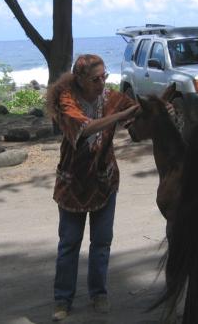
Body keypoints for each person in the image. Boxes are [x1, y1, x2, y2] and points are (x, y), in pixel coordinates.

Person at [45, 54, 139, 321]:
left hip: (104, 180)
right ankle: (63, 299)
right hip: (73, 184)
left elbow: (137, 113)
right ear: (80, 79)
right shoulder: (66, 100)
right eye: (96, 79)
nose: (102, 83)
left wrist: (161, 109)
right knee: (69, 243)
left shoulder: (110, 98)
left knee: (101, 242)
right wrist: (122, 115)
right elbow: (84, 129)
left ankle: (99, 293)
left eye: (104, 77)